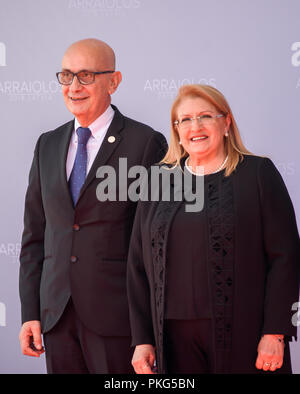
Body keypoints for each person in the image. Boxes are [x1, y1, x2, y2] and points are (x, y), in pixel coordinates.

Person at [127, 84, 300, 374]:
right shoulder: (157, 181)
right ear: (177, 130)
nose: (195, 126)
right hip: (172, 339)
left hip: (245, 335)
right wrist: (142, 339)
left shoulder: (257, 173)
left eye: (206, 116)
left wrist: (275, 332)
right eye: (185, 120)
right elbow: (137, 265)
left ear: (226, 123)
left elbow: (286, 257)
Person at [18, 38, 167, 374]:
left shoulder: (146, 143)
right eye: (66, 76)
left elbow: (155, 245)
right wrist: (31, 312)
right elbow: (34, 236)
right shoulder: (47, 144)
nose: (74, 87)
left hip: (119, 320)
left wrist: (148, 329)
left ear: (113, 81)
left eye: (86, 76)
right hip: (56, 316)